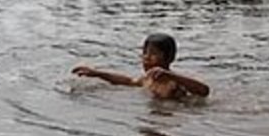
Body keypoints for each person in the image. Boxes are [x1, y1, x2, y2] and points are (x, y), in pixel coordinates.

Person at [72, 34, 211, 100]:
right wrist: (96, 73)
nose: (147, 57)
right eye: (145, 53)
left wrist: (170, 75)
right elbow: (127, 81)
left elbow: (204, 91)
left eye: (154, 54)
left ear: (169, 59)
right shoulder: (147, 80)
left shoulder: (173, 83)